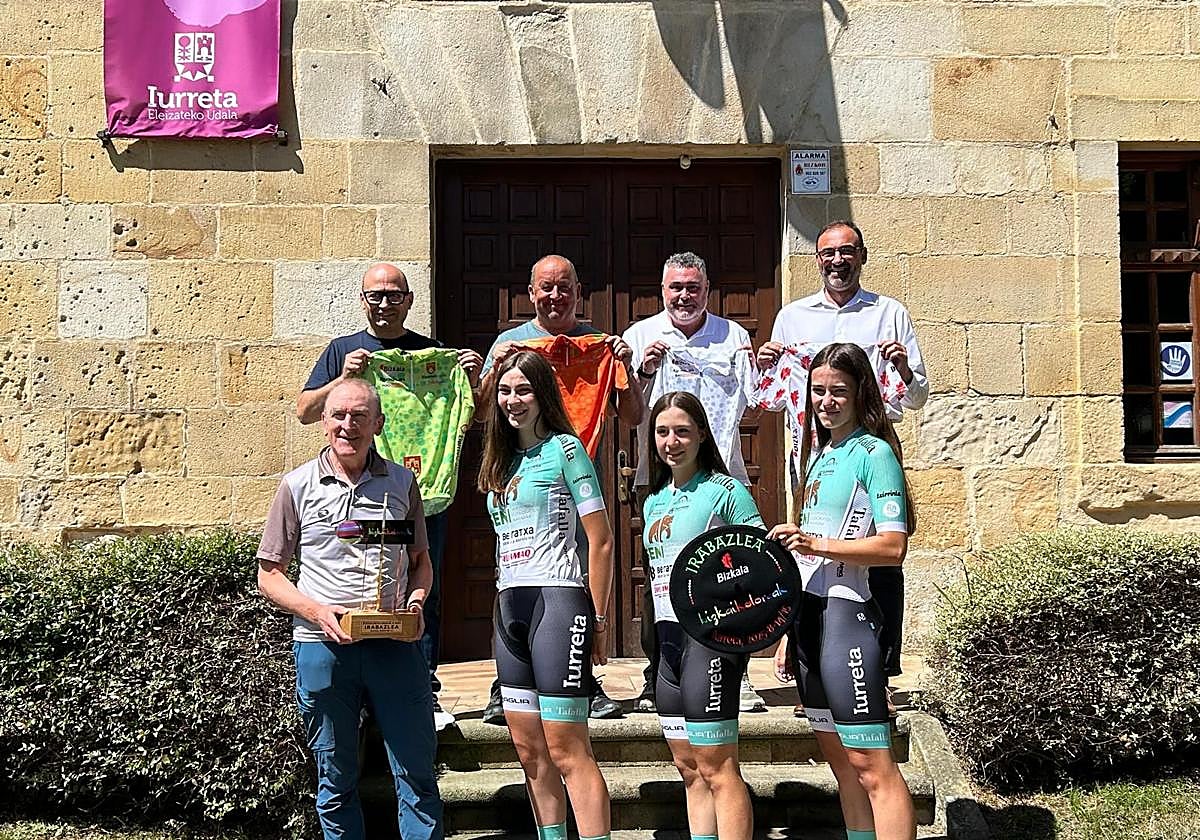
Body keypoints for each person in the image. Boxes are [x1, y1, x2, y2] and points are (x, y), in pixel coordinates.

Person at [296, 262, 482, 730]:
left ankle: (423, 690)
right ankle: (365, 694)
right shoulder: (343, 349)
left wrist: (473, 381)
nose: (384, 304)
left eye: (394, 295)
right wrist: (342, 378)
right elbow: (304, 411)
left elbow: (475, 415)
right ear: (362, 300)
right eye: (375, 295)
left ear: (409, 300)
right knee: (358, 580)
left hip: (415, 498)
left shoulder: (433, 354)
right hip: (353, 499)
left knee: (418, 586)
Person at [258, 378, 443, 840]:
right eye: (338, 415)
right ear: (323, 422)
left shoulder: (402, 483)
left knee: (417, 774)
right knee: (335, 780)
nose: (348, 425)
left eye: (360, 416)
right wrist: (317, 611)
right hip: (323, 647)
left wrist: (416, 600)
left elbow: (420, 562)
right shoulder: (297, 485)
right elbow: (269, 574)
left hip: (393, 645)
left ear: (378, 423)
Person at [756, 221, 928, 705]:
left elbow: (917, 396)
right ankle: (806, 650)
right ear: (817, 260)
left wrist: (903, 370)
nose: (837, 261)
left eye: (847, 252)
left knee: (878, 554)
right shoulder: (792, 317)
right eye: (828, 253)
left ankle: (881, 669)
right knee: (809, 549)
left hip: (871, 444)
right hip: (811, 452)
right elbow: (768, 397)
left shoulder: (889, 312)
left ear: (862, 256)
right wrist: (766, 366)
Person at [480, 254, 645, 722]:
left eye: (564, 287)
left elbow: (632, 416)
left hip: (575, 472)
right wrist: (492, 372)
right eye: (546, 287)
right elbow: (479, 410)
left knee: (575, 577)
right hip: (519, 476)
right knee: (516, 573)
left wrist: (625, 367)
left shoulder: (599, 344)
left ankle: (582, 678)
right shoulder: (509, 344)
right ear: (530, 293)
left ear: (579, 292)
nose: (555, 296)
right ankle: (507, 682)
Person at [768, 343, 917, 840]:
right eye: (818, 391)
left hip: (848, 621)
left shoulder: (874, 453)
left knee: (872, 766)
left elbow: (893, 546)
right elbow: (806, 559)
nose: (825, 401)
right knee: (842, 767)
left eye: (838, 392)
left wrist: (818, 544)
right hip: (809, 621)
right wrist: (787, 630)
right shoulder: (819, 455)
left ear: (860, 394)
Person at [478, 350, 613, 840]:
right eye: (505, 391)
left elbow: (601, 539)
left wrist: (599, 621)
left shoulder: (566, 449)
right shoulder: (500, 459)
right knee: (529, 750)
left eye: (524, 390)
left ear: (543, 395)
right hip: (508, 604)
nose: (513, 400)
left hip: (557, 601)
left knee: (566, 747)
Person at [623, 251, 765, 714]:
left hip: (723, 478)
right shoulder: (640, 336)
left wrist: (762, 367)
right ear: (661, 291)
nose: (684, 296)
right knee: (659, 576)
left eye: (693, 288)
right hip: (658, 477)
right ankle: (658, 672)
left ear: (708, 291)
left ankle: (737, 671)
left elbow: (757, 402)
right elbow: (625, 410)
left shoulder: (734, 336)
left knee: (732, 574)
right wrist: (644, 371)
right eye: (676, 288)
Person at [641, 391, 760, 840]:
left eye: (682, 432)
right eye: (662, 432)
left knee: (718, 767)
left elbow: (762, 563)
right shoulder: (654, 500)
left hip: (709, 642)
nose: (671, 442)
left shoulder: (725, 491)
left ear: (703, 435)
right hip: (668, 641)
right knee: (688, 767)